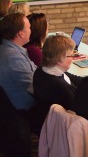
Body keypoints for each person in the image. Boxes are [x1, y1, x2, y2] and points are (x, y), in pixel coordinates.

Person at [0, 13, 37, 157]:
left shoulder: (8, 50)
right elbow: (36, 88)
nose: (31, 30)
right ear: (21, 33)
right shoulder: (14, 58)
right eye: (28, 27)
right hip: (20, 118)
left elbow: (35, 72)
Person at [33, 35, 83, 128]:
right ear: (59, 59)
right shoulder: (59, 87)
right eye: (71, 55)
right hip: (62, 127)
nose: (72, 58)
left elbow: (75, 79)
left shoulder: (43, 70)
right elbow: (79, 110)